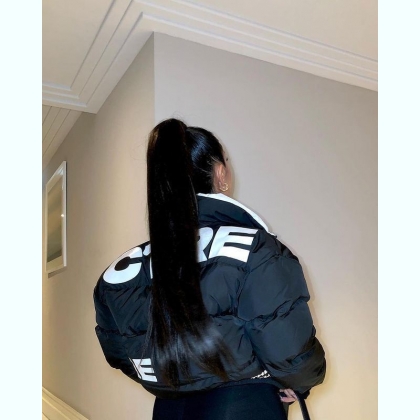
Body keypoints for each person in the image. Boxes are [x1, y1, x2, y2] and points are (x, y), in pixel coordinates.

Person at [93, 118, 326, 420]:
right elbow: (289, 350)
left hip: (167, 409)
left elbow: (120, 354)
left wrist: (177, 378)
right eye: (226, 160)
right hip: (244, 405)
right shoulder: (256, 250)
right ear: (219, 173)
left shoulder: (116, 274)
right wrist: (301, 382)